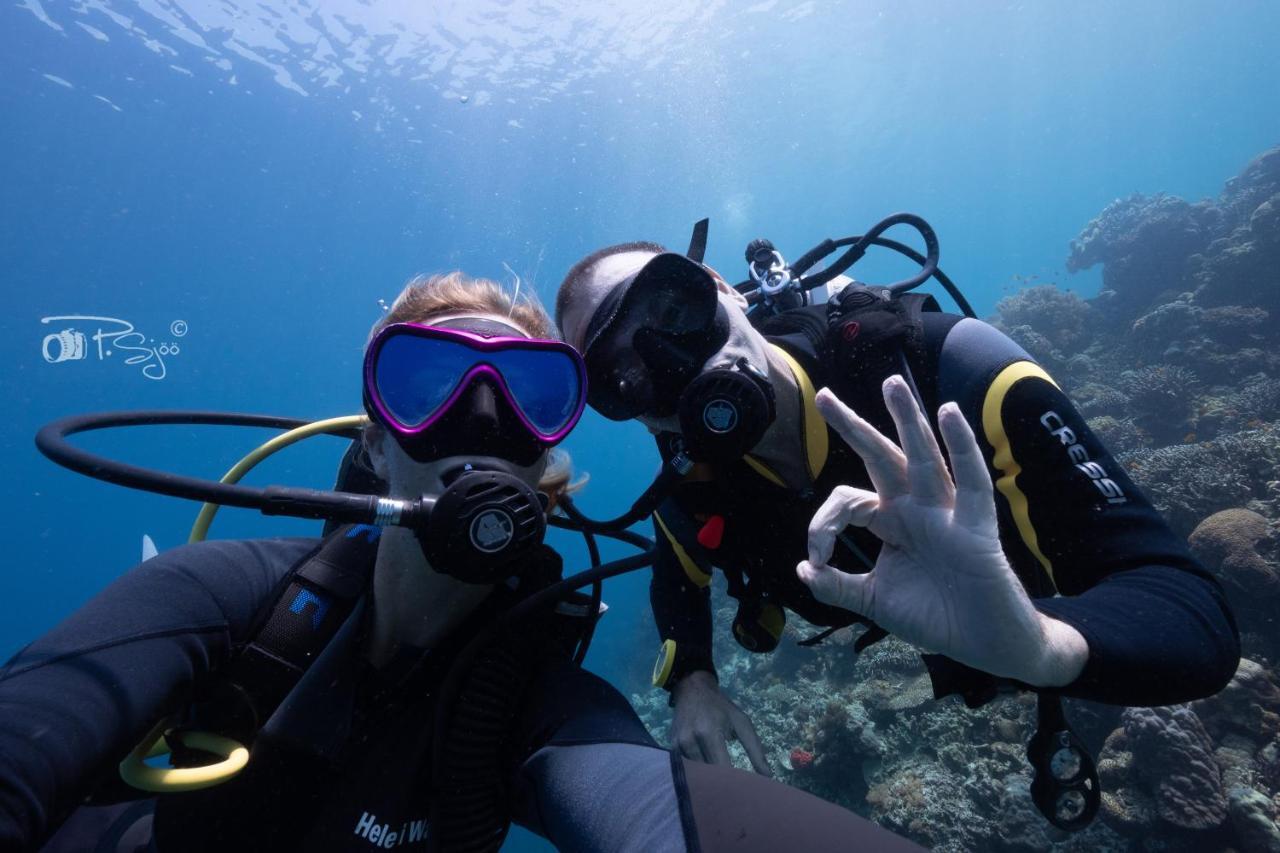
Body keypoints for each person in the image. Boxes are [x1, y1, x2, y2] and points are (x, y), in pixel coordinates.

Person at [1, 273, 924, 852]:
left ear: (548, 458)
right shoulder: (224, 593)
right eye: (425, 382)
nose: (481, 421)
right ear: (374, 439)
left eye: (528, 392)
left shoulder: (535, 699)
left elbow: (656, 809)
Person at [555, 240, 1241, 778]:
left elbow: (1192, 612)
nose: (674, 363)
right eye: (624, 374)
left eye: (675, 311)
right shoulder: (693, 488)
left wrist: (1039, 643)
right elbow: (677, 579)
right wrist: (691, 679)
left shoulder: (954, 371)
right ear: (629, 416)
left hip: (1046, 609)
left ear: (728, 292)